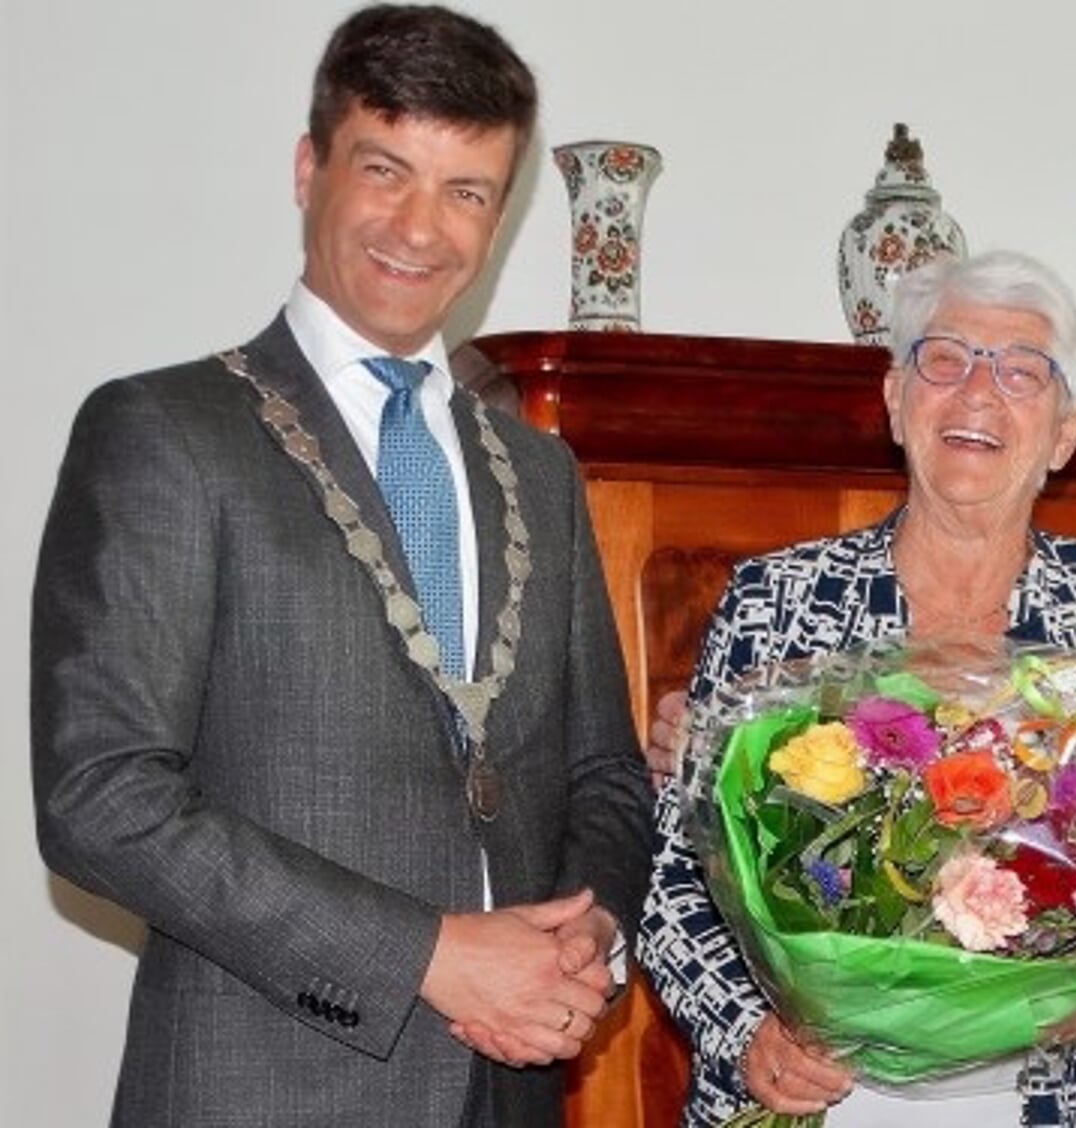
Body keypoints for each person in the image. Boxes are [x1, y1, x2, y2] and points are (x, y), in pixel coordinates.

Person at [30, 6, 653, 1125]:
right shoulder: (165, 431)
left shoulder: (540, 473)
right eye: (386, 170)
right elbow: (101, 796)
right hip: (257, 1088)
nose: (421, 227)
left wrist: (586, 939)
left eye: (467, 191)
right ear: (309, 168)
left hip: (508, 1093)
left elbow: (604, 776)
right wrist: (429, 955)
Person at [640, 250, 1076, 1127]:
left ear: (1067, 430)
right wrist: (747, 1029)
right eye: (946, 358)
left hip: (1043, 1090)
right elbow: (674, 874)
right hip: (819, 1089)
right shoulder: (775, 601)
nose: (976, 393)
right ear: (896, 400)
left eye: (1020, 372)